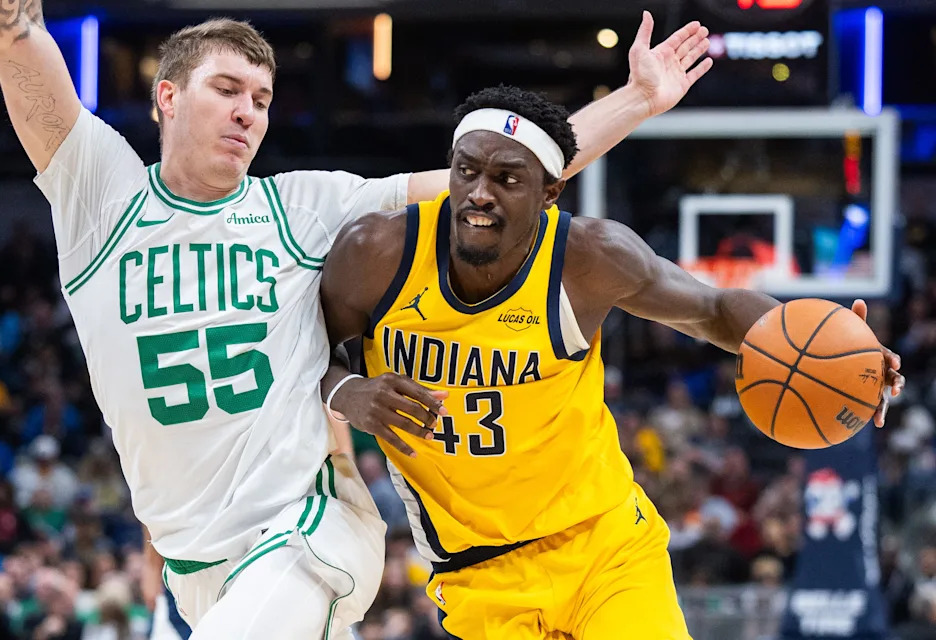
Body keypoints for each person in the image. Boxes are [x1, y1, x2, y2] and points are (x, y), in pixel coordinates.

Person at [0, 0, 712, 635]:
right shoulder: (101, 198)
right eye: (227, 89)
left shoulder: (302, 207)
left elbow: (498, 178)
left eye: (263, 99)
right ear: (166, 97)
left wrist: (637, 100)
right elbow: (13, 36)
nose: (248, 112)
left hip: (309, 533)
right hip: (196, 566)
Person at [319, 85, 906, 637]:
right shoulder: (378, 254)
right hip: (475, 573)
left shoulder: (588, 259)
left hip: (605, 545)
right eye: (466, 170)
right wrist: (347, 394)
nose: (479, 192)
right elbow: (302, 358)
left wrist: (824, 347)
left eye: (506, 178)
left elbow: (713, 309)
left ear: (549, 192)